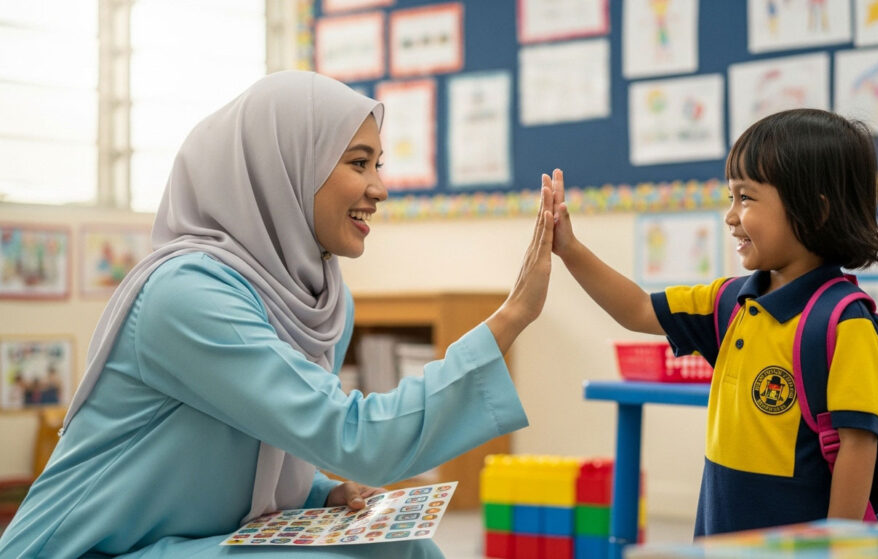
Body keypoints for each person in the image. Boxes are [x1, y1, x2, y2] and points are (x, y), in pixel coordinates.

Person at [0, 70, 555, 558]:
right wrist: (511, 316)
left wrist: (322, 493)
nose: (380, 188)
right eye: (358, 163)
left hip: (183, 541)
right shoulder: (187, 294)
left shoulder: (322, 303)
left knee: (403, 547)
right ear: (285, 167)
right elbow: (356, 439)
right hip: (90, 550)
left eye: (378, 165)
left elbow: (249, 453)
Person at [547, 108, 878, 536]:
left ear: (815, 211)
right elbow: (638, 309)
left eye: (746, 197)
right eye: (731, 197)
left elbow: (858, 448)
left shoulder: (844, 324)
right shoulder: (728, 302)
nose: (731, 216)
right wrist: (569, 249)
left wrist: (836, 547)